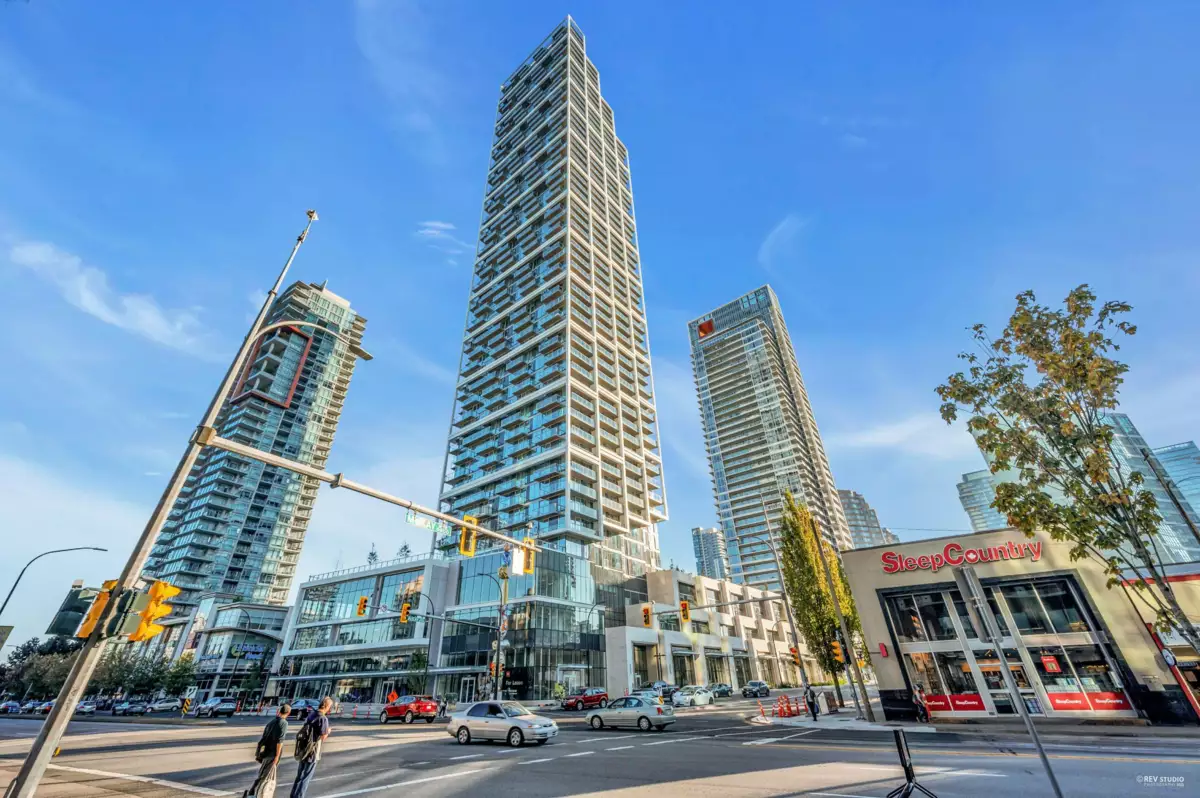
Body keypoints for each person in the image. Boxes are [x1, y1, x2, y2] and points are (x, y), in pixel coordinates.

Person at [244, 703, 290, 798]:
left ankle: (252, 793)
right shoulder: (284, 723)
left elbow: (264, 737)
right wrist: (277, 756)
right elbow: (279, 741)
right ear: (288, 713)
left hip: (265, 753)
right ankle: (256, 794)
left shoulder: (272, 722)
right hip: (272, 753)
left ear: (279, 711)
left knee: (262, 775)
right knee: (266, 777)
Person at [290, 696, 332, 798]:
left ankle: (293, 795)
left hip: (304, 748)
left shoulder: (311, 714)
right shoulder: (323, 718)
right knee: (306, 777)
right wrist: (329, 732)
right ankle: (299, 796)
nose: (330, 709)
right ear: (326, 706)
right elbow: (322, 736)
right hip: (313, 750)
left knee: (300, 775)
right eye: (330, 706)